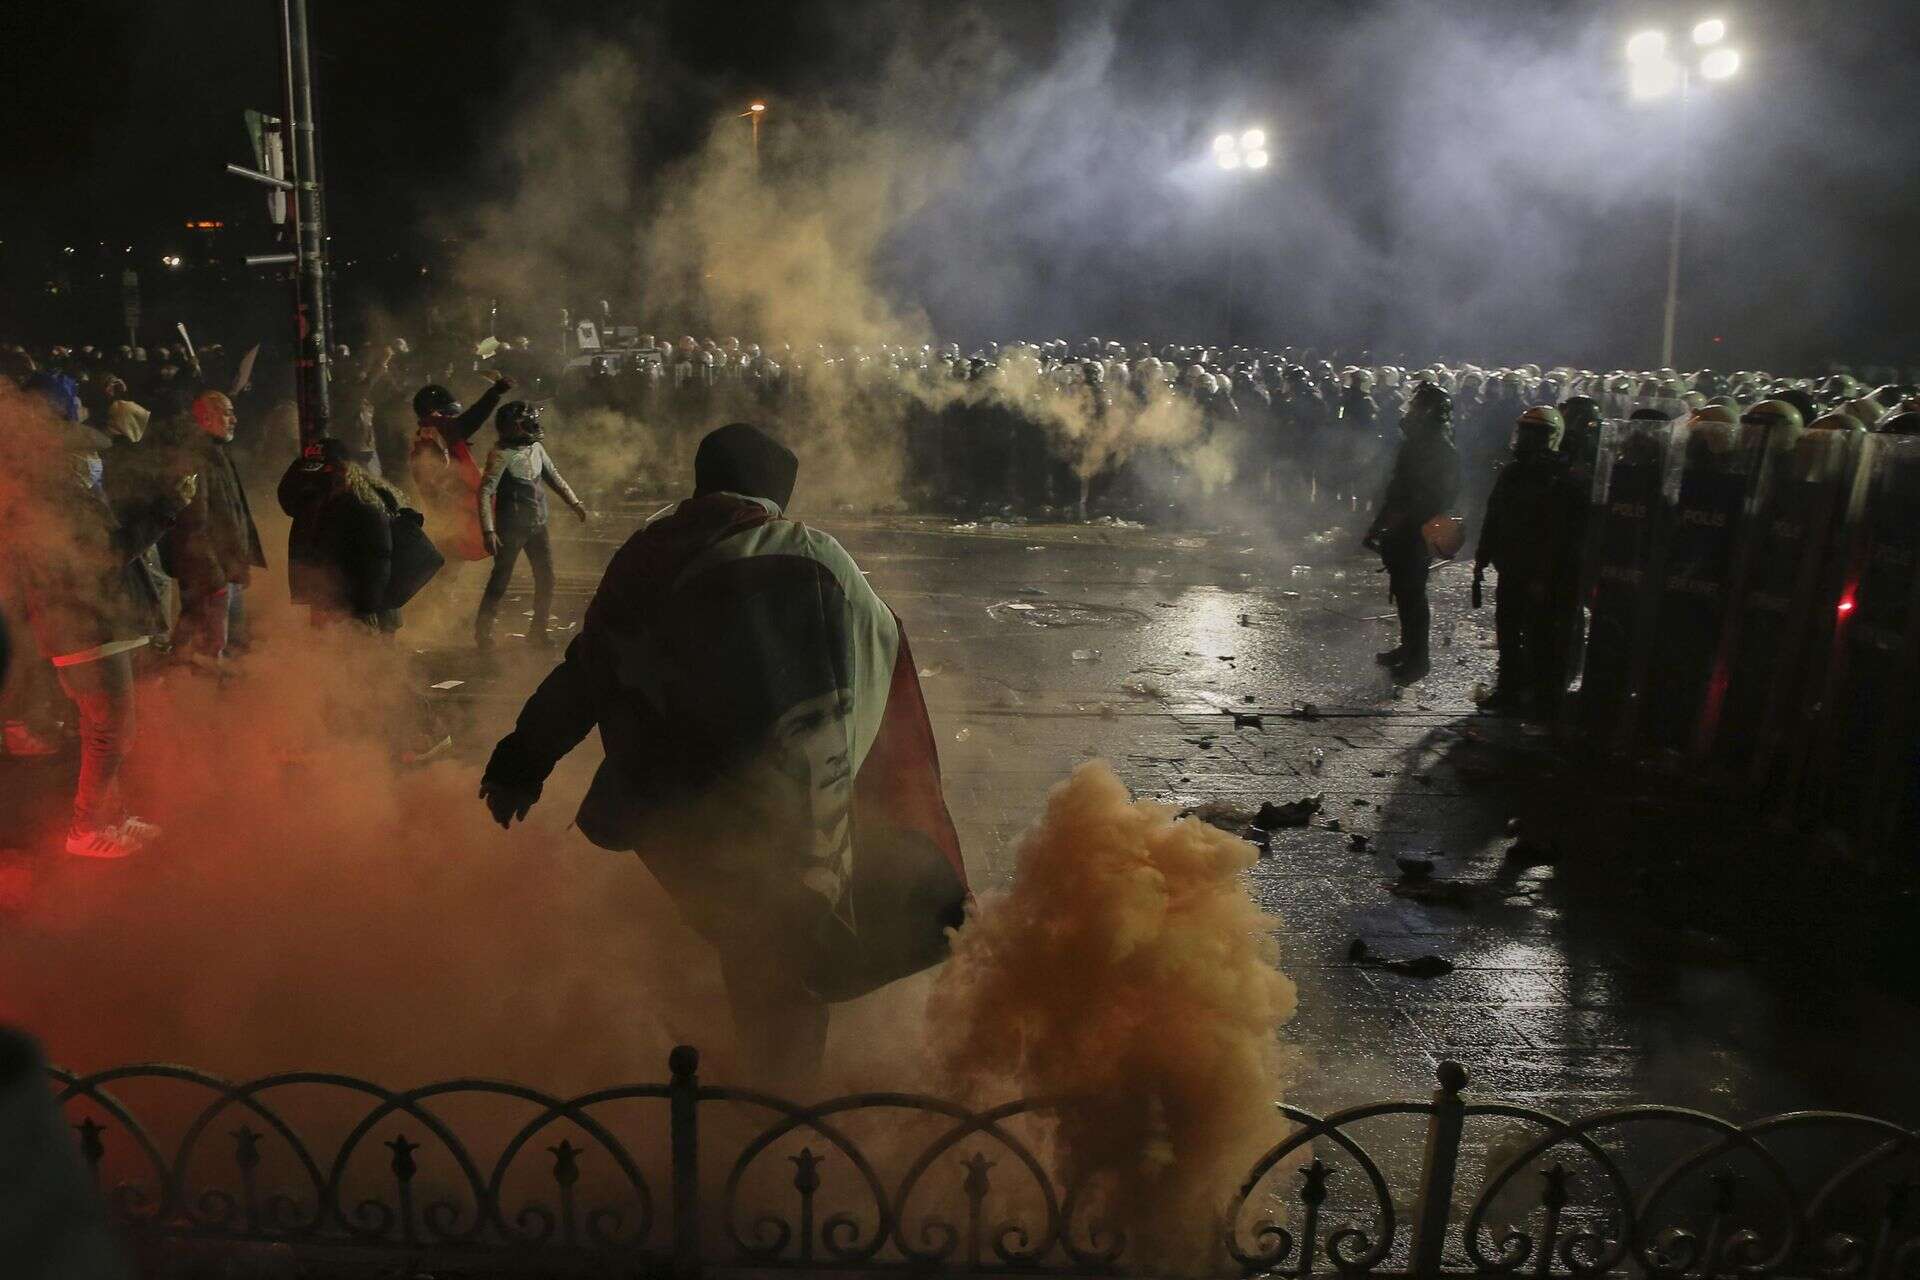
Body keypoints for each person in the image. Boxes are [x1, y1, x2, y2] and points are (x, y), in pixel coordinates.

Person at [477, 423, 967, 1082]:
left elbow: (590, 668)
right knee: (786, 951)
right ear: (774, 492)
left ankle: (760, 1088)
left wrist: (523, 756)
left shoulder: (647, 555)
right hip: (794, 806)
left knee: (748, 944)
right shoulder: (816, 556)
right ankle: (781, 1127)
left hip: (682, 808)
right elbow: (877, 646)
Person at [6, 377, 194, 857]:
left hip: (95, 623)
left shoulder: (51, 489)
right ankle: (85, 830)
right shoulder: (54, 495)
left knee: (114, 729)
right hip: (82, 627)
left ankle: (109, 818)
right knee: (109, 730)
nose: (93, 463)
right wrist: (168, 508)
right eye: (84, 456)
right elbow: (107, 554)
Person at [1471, 406, 1584, 716]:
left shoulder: (1562, 478)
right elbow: (1494, 515)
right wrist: (1482, 556)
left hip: (1541, 573)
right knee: (1507, 632)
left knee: (1542, 636)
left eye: (1534, 434)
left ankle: (1542, 699)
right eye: (1524, 432)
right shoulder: (1513, 472)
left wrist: (1543, 576)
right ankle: (1509, 690)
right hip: (1512, 567)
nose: (1526, 439)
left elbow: (1560, 534)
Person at [158, 391, 266, 664]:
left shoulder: (214, 453)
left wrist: (239, 565)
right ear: (205, 418)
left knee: (224, 644)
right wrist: (214, 578)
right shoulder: (195, 458)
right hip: (211, 577)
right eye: (227, 413)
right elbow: (193, 526)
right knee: (207, 648)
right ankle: (197, 698)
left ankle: (217, 697)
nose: (234, 419)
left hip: (225, 573)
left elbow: (232, 513)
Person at [1364, 380, 1460, 683]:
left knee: (1413, 595)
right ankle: (1409, 648)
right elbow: (1397, 489)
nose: (1411, 411)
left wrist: (1402, 521)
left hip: (1417, 531)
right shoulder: (1416, 444)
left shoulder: (1440, 449)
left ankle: (1419, 660)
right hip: (1402, 528)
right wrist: (1381, 524)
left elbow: (1436, 497)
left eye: (1417, 406)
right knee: (1405, 593)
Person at [474, 400, 588, 649]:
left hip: (538, 525)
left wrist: (575, 502)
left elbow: (554, 476)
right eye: (527, 422)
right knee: (501, 579)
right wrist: (489, 530)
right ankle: (483, 632)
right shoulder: (501, 455)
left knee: (546, 578)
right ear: (514, 427)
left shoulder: (536, 448)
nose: (533, 425)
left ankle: (538, 631)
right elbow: (485, 492)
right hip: (511, 529)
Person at [408, 375, 513, 563]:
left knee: (448, 551)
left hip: (443, 502)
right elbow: (472, 419)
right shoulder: (440, 428)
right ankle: (440, 590)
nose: (452, 418)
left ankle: (440, 589)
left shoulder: (423, 435)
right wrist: (495, 393)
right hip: (455, 501)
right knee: (453, 552)